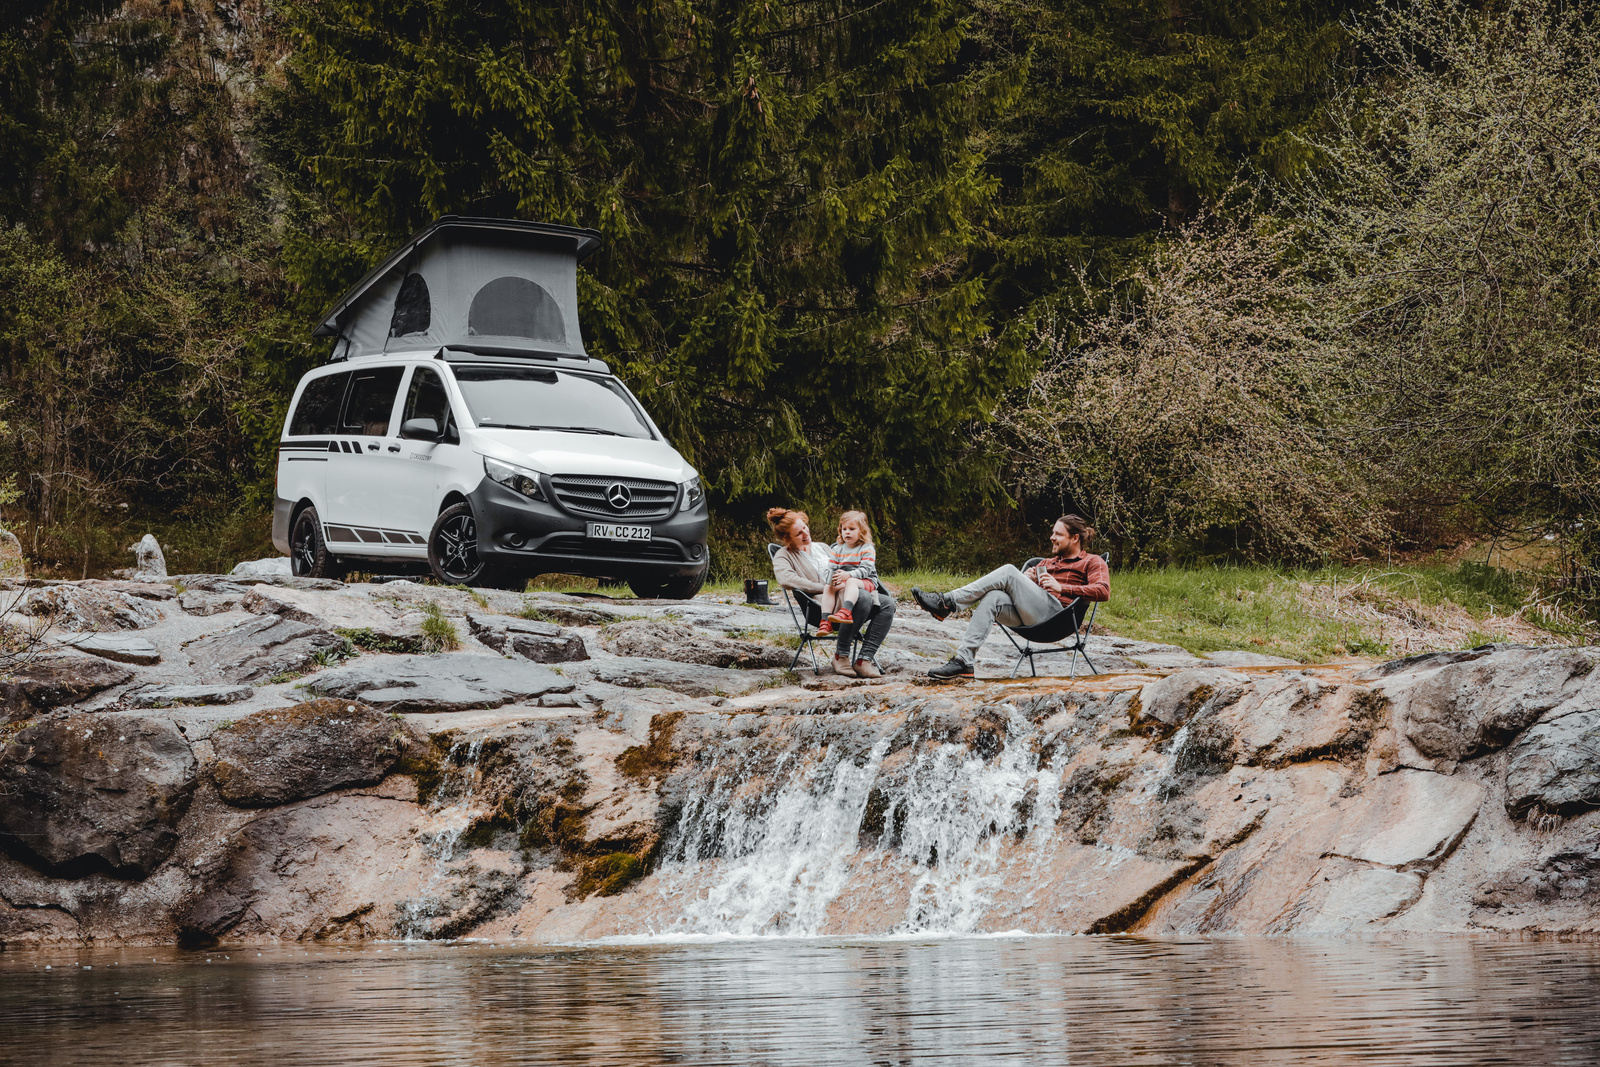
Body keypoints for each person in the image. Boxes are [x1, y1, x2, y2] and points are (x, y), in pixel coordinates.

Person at [910, 514, 1109, 681]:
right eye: (1052, 533)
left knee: (1008, 571)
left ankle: (946, 602)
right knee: (994, 596)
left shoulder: (1092, 561)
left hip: (1058, 618)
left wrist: (1062, 588)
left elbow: (1103, 591)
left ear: (1075, 538)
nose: (1051, 537)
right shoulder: (1047, 562)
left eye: (1058, 534)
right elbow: (1017, 587)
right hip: (1034, 619)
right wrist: (1025, 580)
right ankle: (964, 661)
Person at [768, 507, 896, 677]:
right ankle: (840, 655)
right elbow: (787, 579)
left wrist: (855, 576)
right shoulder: (784, 555)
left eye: (805, 527)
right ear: (787, 538)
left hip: (849, 594)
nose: (806, 534)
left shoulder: (823, 547)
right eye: (799, 533)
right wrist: (826, 587)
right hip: (819, 606)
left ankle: (864, 659)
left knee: (887, 603)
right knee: (863, 597)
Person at [814, 510, 876, 637]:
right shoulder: (837, 549)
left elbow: (866, 570)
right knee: (828, 587)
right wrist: (832, 577)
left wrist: (849, 575)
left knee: (851, 581)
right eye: (844, 528)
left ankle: (846, 611)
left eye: (852, 529)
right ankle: (825, 622)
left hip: (866, 581)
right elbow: (830, 568)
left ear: (862, 531)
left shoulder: (866, 548)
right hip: (845, 580)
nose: (847, 532)